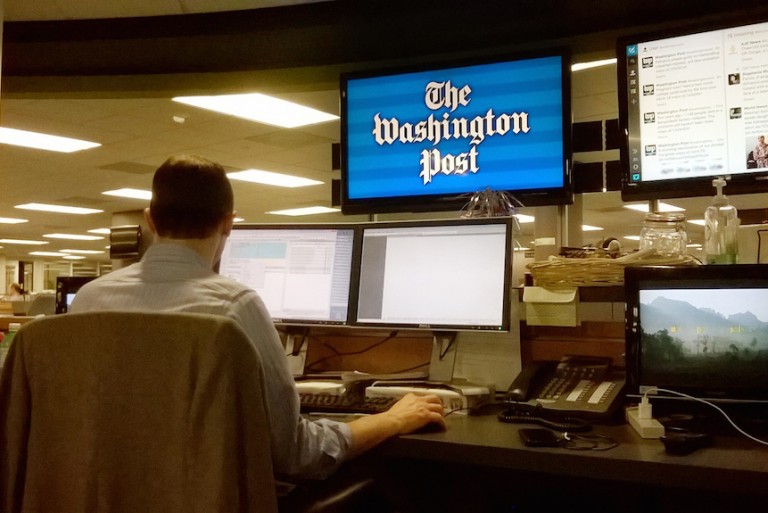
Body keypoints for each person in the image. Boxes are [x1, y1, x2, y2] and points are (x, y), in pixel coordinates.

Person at [70, 155, 445, 496]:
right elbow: (295, 454)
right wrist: (391, 419)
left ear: (149, 220)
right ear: (228, 223)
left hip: (102, 498)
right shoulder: (234, 307)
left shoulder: (88, 301)